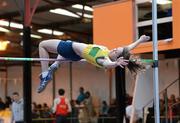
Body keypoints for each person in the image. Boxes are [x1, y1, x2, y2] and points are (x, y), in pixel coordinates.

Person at [37, 35, 150, 93]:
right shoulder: (107, 51)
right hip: (75, 54)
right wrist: (139, 40)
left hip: (69, 49)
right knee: (66, 43)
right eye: (116, 48)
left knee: (42, 45)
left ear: (116, 58)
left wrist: (115, 64)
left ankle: (45, 74)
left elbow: (107, 65)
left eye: (116, 52)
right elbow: (127, 48)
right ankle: (56, 64)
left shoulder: (103, 59)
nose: (115, 49)